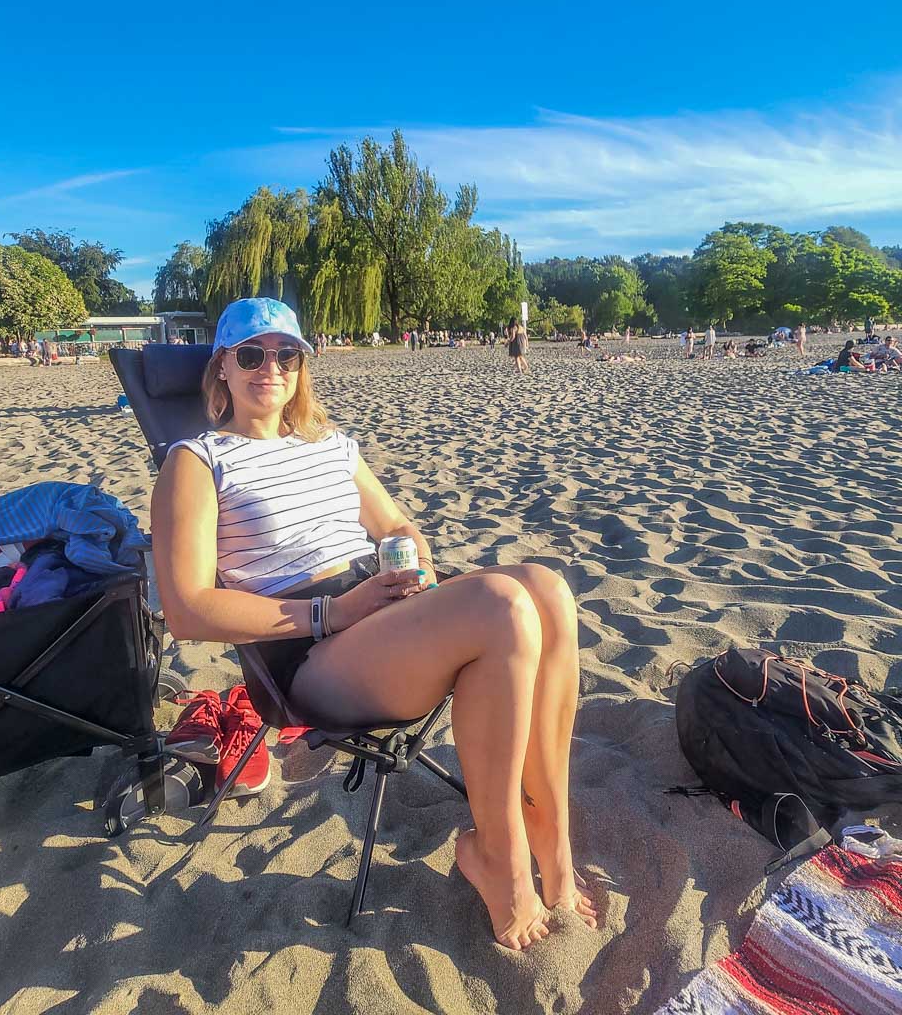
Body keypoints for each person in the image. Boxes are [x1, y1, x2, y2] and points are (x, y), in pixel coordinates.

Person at [151, 297, 594, 949]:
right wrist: (336, 611)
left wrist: (410, 572)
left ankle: (550, 843)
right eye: (250, 354)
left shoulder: (330, 445)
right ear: (222, 367)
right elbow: (187, 608)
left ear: (302, 366)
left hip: (378, 610)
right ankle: (498, 861)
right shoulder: (196, 460)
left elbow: (396, 526)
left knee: (547, 591)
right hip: (307, 648)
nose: (268, 367)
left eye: (285, 354)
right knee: (501, 606)